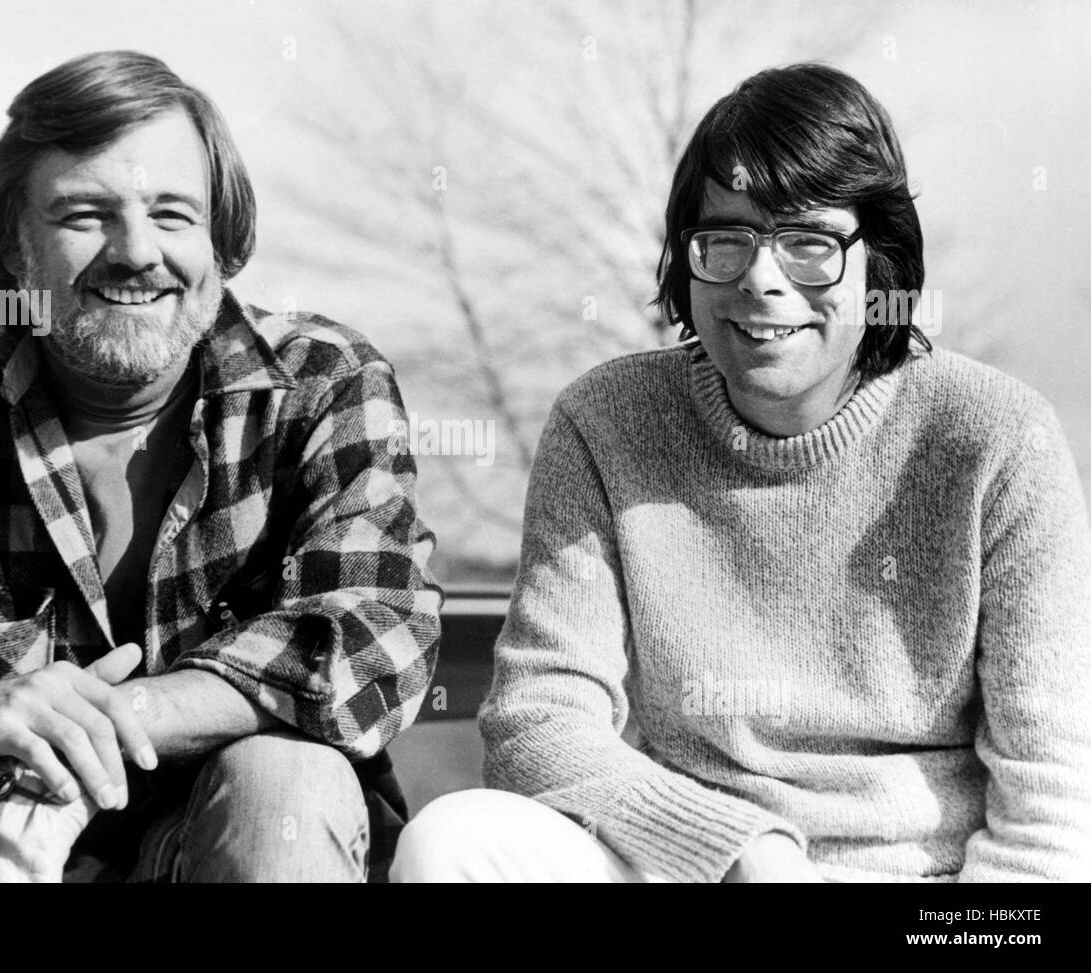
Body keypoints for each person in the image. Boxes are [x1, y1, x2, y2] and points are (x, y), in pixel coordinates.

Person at [391, 62, 1091, 883]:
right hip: (689, 865)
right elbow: (537, 723)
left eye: (809, 242)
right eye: (726, 238)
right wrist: (739, 850)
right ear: (686, 261)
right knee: (453, 841)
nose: (762, 277)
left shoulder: (1000, 441)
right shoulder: (606, 422)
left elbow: (1048, 815)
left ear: (881, 266)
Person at [0, 50, 441, 883]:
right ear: (13, 246)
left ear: (223, 238)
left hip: (219, 850)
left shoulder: (323, 381)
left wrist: (101, 724)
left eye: (172, 214)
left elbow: (372, 634)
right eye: (84, 214)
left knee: (286, 776)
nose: (137, 253)